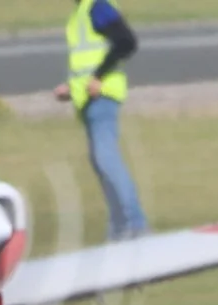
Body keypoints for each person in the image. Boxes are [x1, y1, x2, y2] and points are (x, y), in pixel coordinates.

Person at [56, 0, 150, 239]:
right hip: (88, 99)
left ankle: (134, 224)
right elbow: (85, 62)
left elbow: (126, 41)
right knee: (100, 161)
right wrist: (72, 88)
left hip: (103, 97)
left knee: (106, 158)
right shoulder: (81, 12)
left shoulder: (97, 6)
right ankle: (120, 227)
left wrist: (99, 76)